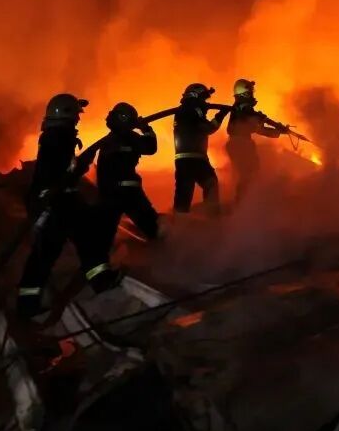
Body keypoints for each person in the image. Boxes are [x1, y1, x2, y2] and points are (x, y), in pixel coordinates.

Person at [16, 93, 120, 320]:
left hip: (63, 200)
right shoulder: (58, 138)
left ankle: (101, 280)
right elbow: (59, 174)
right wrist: (81, 165)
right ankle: (27, 303)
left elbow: (63, 172)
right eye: (76, 115)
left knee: (86, 241)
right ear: (66, 115)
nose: (78, 119)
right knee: (47, 252)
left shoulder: (58, 137)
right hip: (54, 203)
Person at [80, 102, 160, 242]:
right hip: (126, 194)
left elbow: (150, 148)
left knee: (104, 235)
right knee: (153, 228)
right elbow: (150, 147)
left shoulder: (113, 140)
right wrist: (146, 129)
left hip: (114, 194)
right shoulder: (125, 138)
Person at [225, 78, 287, 202]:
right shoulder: (243, 108)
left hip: (239, 143)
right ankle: (242, 202)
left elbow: (257, 128)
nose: (252, 94)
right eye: (250, 92)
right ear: (244, 94)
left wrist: (276, 130)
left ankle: (244, 202)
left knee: (249, 173)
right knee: (248, 174)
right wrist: (277, 129)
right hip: (241, 144)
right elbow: (258, 128)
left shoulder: (241, 109)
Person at [173, 83, 227, 215]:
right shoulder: (191, 110)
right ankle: (208, 217)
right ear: (195, 96)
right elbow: (208, 128)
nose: (205, 102)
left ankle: (183, 220)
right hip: (192, 160)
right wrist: (220, 116)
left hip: (192, 159)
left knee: (188, 193)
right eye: (203, 98)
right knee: (203, 187)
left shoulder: (187, 110)